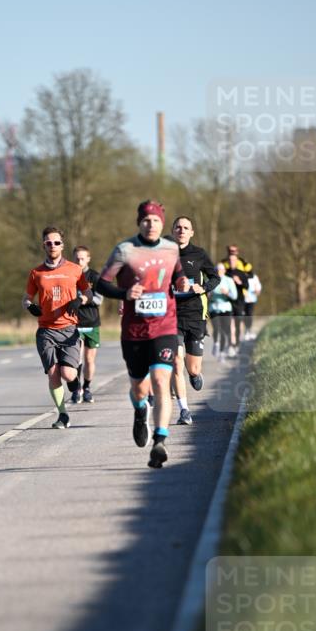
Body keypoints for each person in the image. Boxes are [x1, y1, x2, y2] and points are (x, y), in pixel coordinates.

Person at [97, 200, 181, 468]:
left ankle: (160, 440)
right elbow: (102, 283)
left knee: (160, 380)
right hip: (134, 332)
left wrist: (182, 281)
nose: (151, 224)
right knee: (139, 388)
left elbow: (178, 275)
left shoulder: (172, 249)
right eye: (146, 220)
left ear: (162, 223)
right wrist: (125, 293)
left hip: (165, 327)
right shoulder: (125, 250)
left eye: (156, 220)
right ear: (139, 223)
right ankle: (140, 409)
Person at [22, 226, 92, 428]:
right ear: (43, 245)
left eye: (56, 242)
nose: (52, 246)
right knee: (53, 372)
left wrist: (80, 300)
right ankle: (62, 415)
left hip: (69, 329)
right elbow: (26, 298)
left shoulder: (75, 270)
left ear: (63, 245)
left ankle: (74, 381)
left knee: (68, 374)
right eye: (48, 243)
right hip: (46, 330)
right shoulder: (36, 273)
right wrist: (30, 307)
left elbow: (87, 293)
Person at [170, 216, 220, 426]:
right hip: (171, 315)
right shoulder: (164, 254)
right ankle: (184, 410)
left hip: (195, 315)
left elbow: (215, 277)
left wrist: (204, 288)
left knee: (193, 368)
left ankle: (194, 375)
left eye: (186, 228)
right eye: (178, 227)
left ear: (191, 233)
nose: (181, 230)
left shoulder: (198, 254)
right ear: (173, 231)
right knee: (176, 361)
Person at [71, 245, 103, 404]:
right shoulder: (68, 276)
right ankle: (77, 389)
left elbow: (99, 299)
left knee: (89, 359)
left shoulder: (95, 277)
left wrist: (83, 299)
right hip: (74, 322)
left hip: (92, 322)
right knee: (76, 359)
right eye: (77, 258)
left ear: (88, 259)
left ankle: (87, 388)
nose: (79, 261)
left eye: (82, 258)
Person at [220, 245, 251, 352]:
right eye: (230, 260)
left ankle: (237, 342)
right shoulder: (226, 273)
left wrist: (239, 282)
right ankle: (231, 344)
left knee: (237, 324)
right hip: (227, 301)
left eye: (233, 260)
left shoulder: (241, 273)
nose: (231, 262)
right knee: (229, 323)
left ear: (236, 261)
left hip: (239, 301)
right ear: (228, 261)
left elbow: (247, 286)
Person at [209, 262, 237, 359]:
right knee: (217, 328)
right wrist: (210, 294)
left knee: (226, 329)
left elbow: (235, 296)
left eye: (221, 270)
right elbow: (205, 294)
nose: (219, 272)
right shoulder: (211, 280)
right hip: (214, 307)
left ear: (224, 271)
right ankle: (216, 344)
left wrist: (227, 293)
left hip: (226, 308)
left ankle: (223, 351)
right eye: (217, 270)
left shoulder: (229, 280)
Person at [243, 270, 263, 340]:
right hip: (242, 300)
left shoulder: (254, 277)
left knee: (249, 315)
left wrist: (257, 291)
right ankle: (245, 331)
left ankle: (248, 331)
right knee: (243, 315)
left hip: (251, 300)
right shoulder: (240, 275)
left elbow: (258, 287)